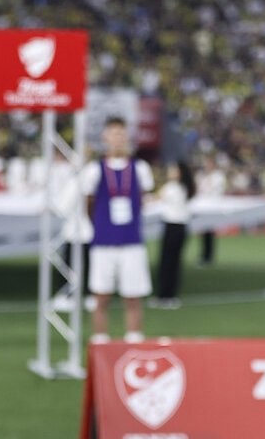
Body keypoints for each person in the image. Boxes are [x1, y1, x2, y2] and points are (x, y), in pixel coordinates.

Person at [82, 116, 155, 343]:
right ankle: (100, 341)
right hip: (103, 242)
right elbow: (89, 203)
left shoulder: (140, 168)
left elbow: (142, 200)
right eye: (113, 133)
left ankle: (134, 339)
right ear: (105, 137)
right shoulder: (94, 170)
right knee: (100, 296)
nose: (117, 138)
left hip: (131, 241)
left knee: (133, 296)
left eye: (121, 133)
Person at [48, 147, 93, 312]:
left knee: (74, 264)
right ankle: (79, 295)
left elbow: (62, 206)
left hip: (80, 229)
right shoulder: (78, 178)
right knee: (80, 264)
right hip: (79, 229)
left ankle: (72, 295)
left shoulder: (79, 179)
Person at [153, 161, 197, 309]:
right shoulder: (186, 188)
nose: (170, 172)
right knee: (175, 263)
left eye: (173, 170)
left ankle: (164, 295)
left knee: (167, 262)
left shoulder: (171, 187)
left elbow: (155, 198)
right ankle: (170, 295)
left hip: (172, 227)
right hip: (181, 228)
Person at [195, 155, 227, 267]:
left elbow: (216, 190)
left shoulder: (218, 176)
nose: (206, 166)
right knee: (204, 232)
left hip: (212, 207)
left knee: (209, 231)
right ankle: (204, 255)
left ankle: (208, 256)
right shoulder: (201, 175)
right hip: (202, 207)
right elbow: (198, 189)